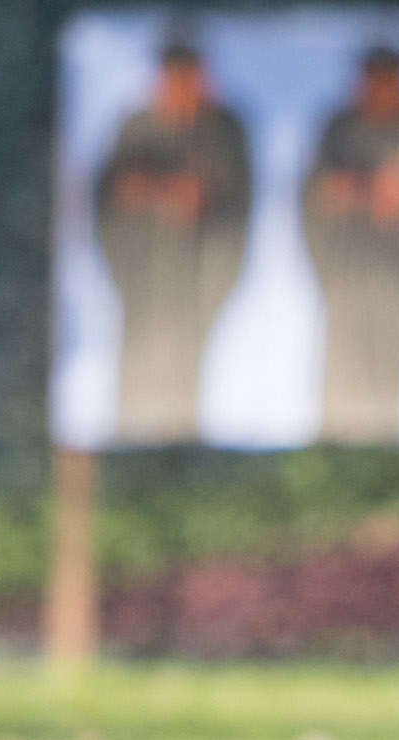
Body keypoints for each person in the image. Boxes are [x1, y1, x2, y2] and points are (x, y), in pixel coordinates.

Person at [95, 40, 254, 444]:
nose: (182, 90)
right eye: (173, 78)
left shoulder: (223, 133)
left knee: (184, 390)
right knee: (136, 389)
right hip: (143, 291)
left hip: (195, 292)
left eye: (190, 78)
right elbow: (113, 197)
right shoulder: (136, 129)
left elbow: (225, 208)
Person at [302, 46, 399, 445]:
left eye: (388, 81)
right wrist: (363, 188)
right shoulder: (339, 129)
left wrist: (382, 195)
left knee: (387, 383)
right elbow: (319, 194)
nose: (379, 92)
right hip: (346, 279)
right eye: (372, 80)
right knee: (339, 377)